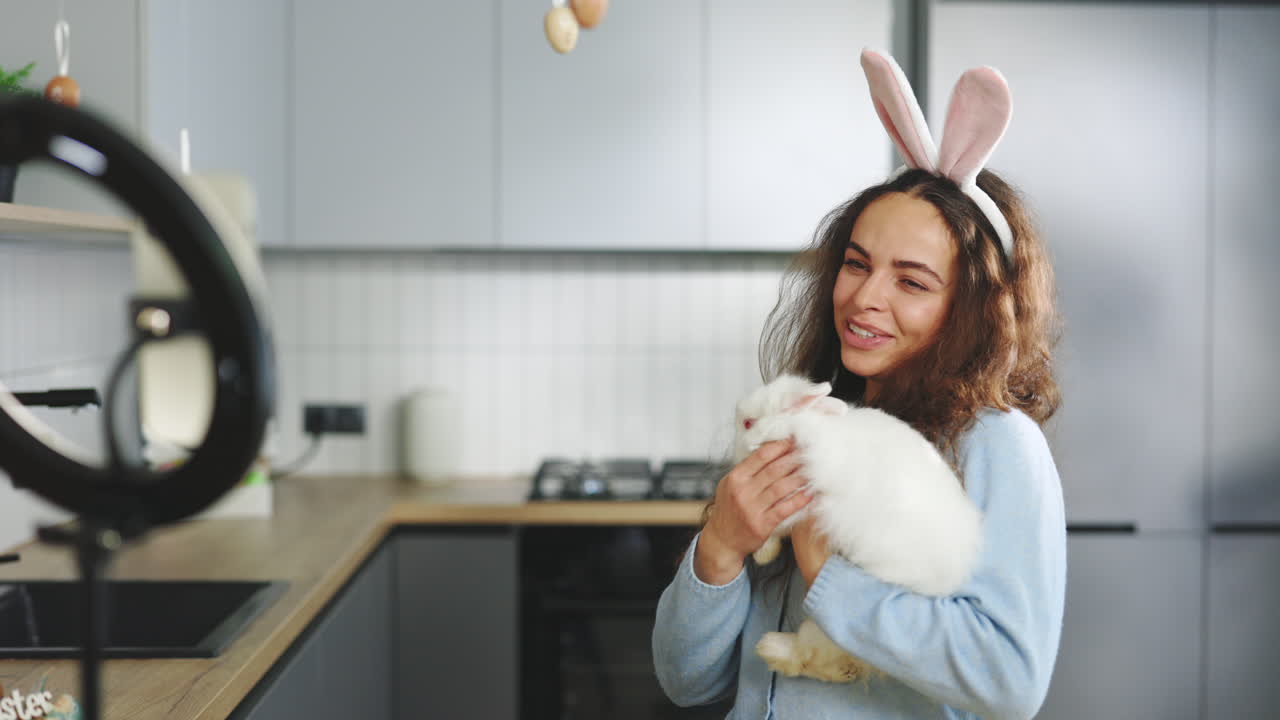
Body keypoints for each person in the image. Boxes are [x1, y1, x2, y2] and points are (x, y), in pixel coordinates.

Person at [652, 50, 1066, 720]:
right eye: (856, 264)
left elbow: (1010, 681)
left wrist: (828, 576)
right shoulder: (815, 419)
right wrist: (720, 548)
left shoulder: (996, 445)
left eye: (912, 281)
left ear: (971, 307)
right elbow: (686, 682)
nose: (865, 298)